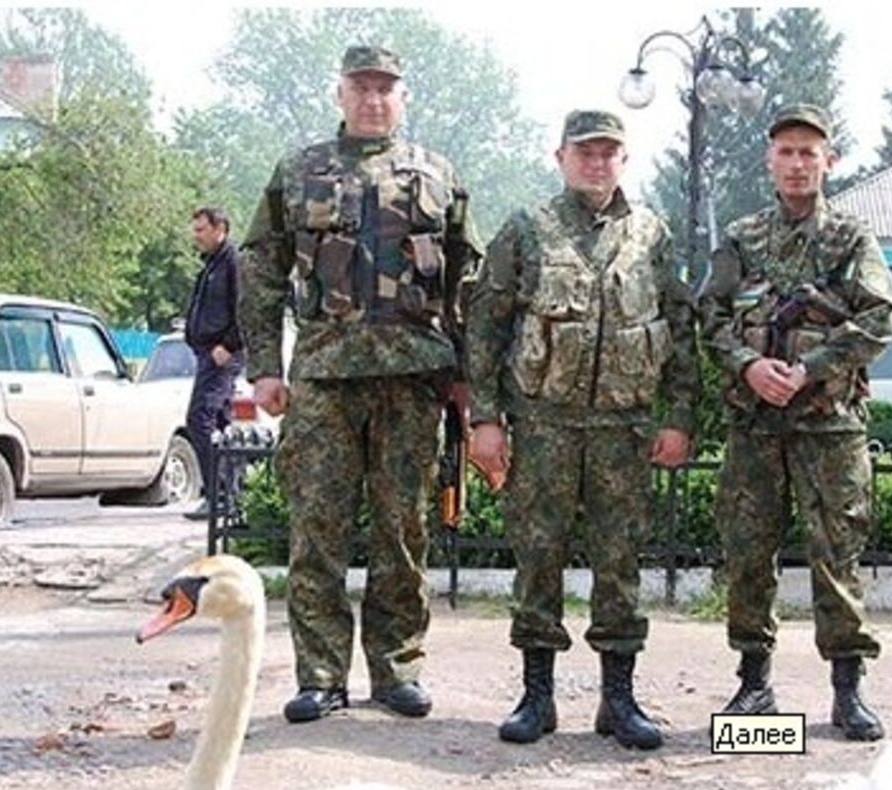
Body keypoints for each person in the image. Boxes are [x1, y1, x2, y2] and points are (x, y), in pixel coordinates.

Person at [238, 45, 481, 723]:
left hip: (411, 379)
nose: (374, 99)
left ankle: (398, 667)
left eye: (386, 88)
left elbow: (468, 282)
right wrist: (264, 364)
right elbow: (258, 268)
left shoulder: (437, 174)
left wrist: (463, 376)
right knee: (317, 531)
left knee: (403, 531)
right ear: (339, 93)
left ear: (404, 97)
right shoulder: (299, 171)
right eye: (361, 87)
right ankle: (319, 676)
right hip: (323, 376)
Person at [467, 110, 699, 749]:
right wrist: (484, 419)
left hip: (623, 429)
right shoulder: (527, 231)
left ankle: (618, 700)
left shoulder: (651, 234)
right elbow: (485, 327)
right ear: (561, 156)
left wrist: (679, 418)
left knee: (619, 563)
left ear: (624, 160)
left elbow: (679, 332)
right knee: (537, 558)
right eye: (585, 153)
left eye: (609, 153)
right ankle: (536, 697)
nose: (597, 163)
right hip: (544, 424)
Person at [701, 104, 892, 742]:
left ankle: (847, 691)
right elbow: (708, 317)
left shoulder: (851, 239)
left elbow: (879, 319)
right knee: (748, 553)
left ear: (829, 161)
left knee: (836, 552)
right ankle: (754, 686)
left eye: (808, 152)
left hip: (829, 424)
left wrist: (810, 367)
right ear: (769, 160)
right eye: (785, 151)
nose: (796, 163)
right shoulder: (740, 239)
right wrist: (749, 364)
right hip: (755, 424)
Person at [183, 205, 243, 520]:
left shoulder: (233, 261)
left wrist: (229, 345)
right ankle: (229, 497)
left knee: (198, 419)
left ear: (220, 228)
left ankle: (219, 496)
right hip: (206, 353)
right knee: (222, 426)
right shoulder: (210, 265)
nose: (196, 237)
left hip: (222, 356)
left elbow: (245, 308)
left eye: (201, 230)